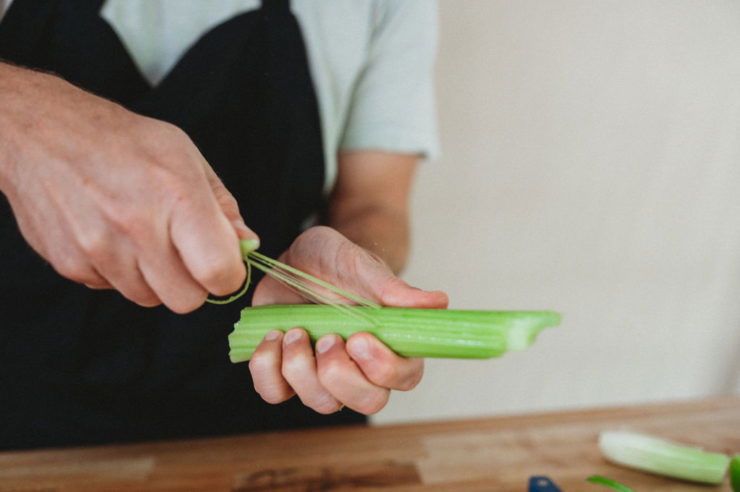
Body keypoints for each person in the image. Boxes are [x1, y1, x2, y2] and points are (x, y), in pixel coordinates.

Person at [0, 0, 447, 450]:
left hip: (279, 409)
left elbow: (374, 204)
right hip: (23, 411)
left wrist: (358, 279)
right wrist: (27, 115)